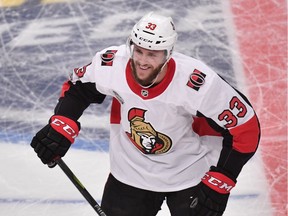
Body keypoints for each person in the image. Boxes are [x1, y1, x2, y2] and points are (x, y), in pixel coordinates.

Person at [30, 11, 261, 216]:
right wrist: (61, 124)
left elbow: (246, 128)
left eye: (152, 54)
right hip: (130, 174)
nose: (141, 61)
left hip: (189, 174)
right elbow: (78, 88)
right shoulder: (111, 64)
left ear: (168, 54)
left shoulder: (196, 82)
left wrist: (222, 179)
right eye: (138, 51)